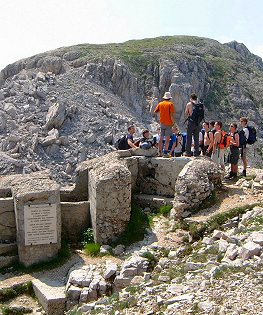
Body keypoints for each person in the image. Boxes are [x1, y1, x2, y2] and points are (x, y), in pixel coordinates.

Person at [154, 91, 176, 156]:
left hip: (162, 123)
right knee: (167, 139)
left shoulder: (160, 104)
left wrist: (161, 115)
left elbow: (155, 111)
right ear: (169, 98)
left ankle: (159, 151)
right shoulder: (170, 104)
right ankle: (165, 153)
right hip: (168, 124)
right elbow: (171, 115)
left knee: (161, 138)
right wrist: (173, 123)